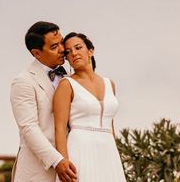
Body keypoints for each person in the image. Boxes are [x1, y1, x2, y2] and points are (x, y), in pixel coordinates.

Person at [53, 32, 127, 182]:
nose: (74, 53)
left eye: (78, 47)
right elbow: (59, 128)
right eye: (68, 52)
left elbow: (111, 125)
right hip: (80, 148)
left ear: (90, 51)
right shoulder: (66, 85)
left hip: (108, 150)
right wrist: (63, 161)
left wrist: (116, 154)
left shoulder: (109, 84)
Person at [10, 21, 78, 182]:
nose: (62, 49)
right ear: (36, 53)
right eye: (54, 47)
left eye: (61, 42)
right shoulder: (23, 81)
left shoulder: (71, 78)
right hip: (38, 172)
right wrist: (57, 160)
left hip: (74, 166)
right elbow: (29, 128)